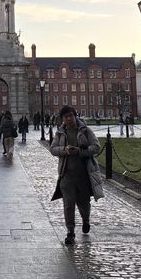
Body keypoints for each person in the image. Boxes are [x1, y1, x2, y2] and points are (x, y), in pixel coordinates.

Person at [50, 104, 102, 245]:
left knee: (83, 203)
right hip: (66, 174)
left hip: (83, 174)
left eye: (70, 116)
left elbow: (96, 147)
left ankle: (86, 219)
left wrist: (80, 151)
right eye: (66, 117)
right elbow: (53, 149)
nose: (68, 119)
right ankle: (70, 232)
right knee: (68, 204)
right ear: (62, 119)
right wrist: (65, 150)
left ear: (75, 116)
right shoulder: (60, 133)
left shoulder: (86, 130)